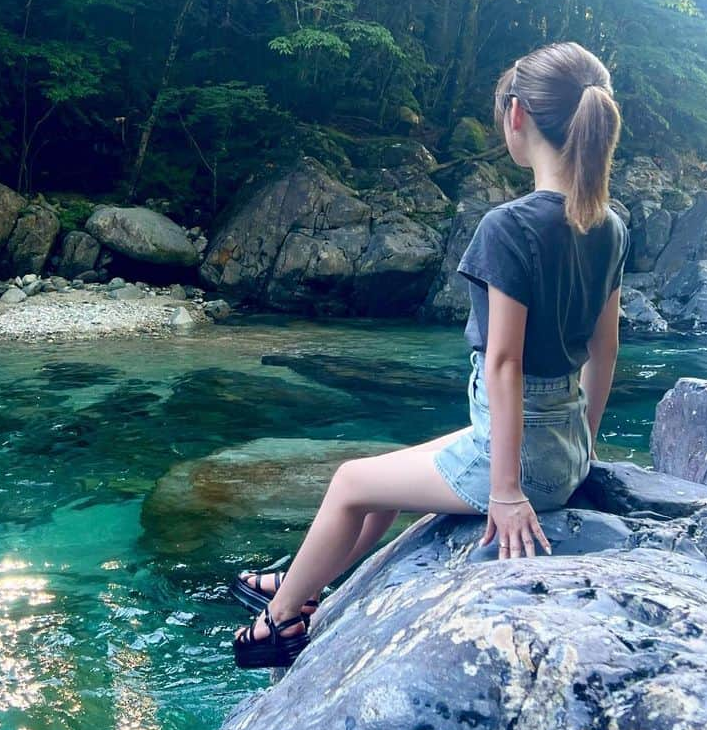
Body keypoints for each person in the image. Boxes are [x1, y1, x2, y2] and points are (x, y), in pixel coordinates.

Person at [232, 42, 631, 670]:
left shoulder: (509, 226)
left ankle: (278, 624)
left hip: (516, 458)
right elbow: (603, 353)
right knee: (382, 483)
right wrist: (582, 452)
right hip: (565, 446)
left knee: (347, 483)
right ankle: (302, 585)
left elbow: (505, 363)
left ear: (517, 117)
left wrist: (505, 491)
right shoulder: (610, 225)